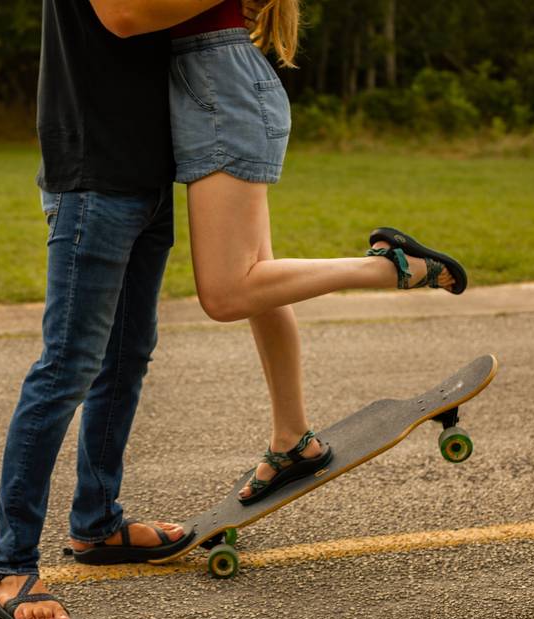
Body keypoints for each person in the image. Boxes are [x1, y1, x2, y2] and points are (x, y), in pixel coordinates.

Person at [0, 0, 243, 619]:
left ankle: (98, 524)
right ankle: (9, 565)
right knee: (67, 367)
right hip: (94, 175)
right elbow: (125, 14)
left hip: (148, 174)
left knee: (126, 359)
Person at [169, 0, 467, 505]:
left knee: (226, 294)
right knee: (260, 284)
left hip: (220, 88)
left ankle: (390, 266)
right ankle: (293, 441)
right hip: (215, 83)